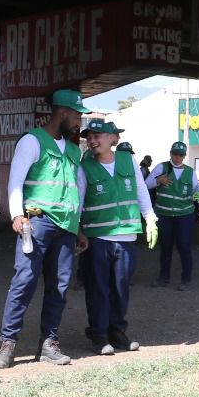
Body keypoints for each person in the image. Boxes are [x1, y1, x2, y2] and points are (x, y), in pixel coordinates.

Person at [0, 89, 90, 369]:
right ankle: (8, 344)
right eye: (77, 114)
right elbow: (16, 181)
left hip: (66, 227)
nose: (79, 120)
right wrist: (17, 215)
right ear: (63, 112)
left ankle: (49, 343)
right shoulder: (32, 141)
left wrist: (79, 228)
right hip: (38, 223)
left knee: (59, 287)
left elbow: (73, 190)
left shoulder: (73, 150)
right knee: (24, 282)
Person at [77, 119, 157, 354]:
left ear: (114, 139)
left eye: (98, 135)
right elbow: (79, 200)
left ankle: (117, 331)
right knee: (98, 288)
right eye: (89, 137)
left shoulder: (127, 160)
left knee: (121, 287)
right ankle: (99, 335)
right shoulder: (85, 167)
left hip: (127, 238)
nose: (92, 140)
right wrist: (77, 230)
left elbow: (141, 189)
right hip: (98, 238)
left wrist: (150, 218)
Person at [149, 141, 199, 290]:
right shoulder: (161, 167)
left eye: (180, 155)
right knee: (165, 247)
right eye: (175, 154)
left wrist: (198, 194)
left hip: (184, 215)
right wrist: (157, 181)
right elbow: (145, 184)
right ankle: (163, 278)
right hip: (164, 215)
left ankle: (186, 279)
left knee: (184, 247)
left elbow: (195, 191)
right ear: (170, 153)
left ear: (184, 156)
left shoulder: (190, 172)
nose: (177, 157)